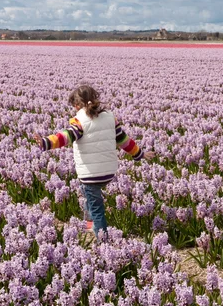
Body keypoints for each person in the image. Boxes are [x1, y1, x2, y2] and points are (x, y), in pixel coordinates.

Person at [35, 85, 154, 239]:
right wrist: (139, 154)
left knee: (97, 207)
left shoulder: (80, 122)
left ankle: (103, 240)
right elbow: (124, 141)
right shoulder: (110, 118)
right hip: (108, 172)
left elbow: (64, 137)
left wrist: (45, 142)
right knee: (86, 193)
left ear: (77, 105)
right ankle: (90, 220)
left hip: (91, 175)